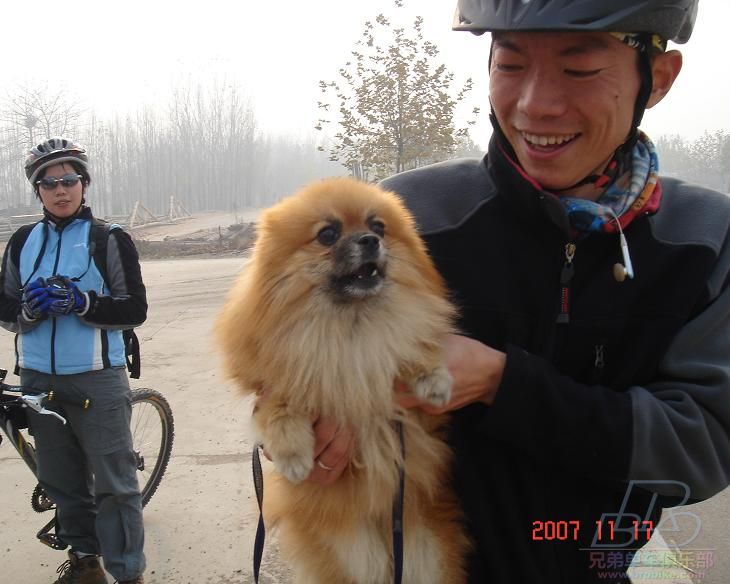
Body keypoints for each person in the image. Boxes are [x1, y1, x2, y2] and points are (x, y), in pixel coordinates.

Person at [306, 1, 730, 582]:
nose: (535, 104)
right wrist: (310, 416)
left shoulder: (703, 240)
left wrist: (501, 383)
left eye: (578, 70)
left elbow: (704, 444)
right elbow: (290, 354)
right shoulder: (403, 221)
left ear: (657, 78)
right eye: (510, 64)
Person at [0, 137, 148, 584]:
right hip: (39, 379)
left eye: (69, 179)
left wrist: (82, 302)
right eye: (49, 182)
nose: (61, 190)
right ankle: (85, 561)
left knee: (115, 484)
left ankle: (128, 573)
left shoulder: (109, 239)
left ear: (84, 184)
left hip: (98, 379)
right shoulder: (23, 241)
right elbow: (1, 307)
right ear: (37, 191)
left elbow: (134, 309)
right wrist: (28, 312)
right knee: (62, 482)